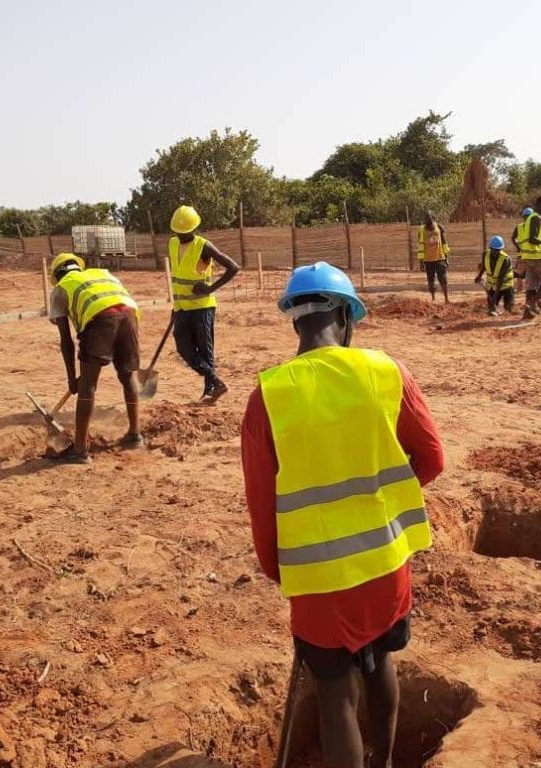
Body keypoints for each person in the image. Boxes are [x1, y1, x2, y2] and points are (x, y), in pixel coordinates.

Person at [240, 262, 444, 768]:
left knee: (335, 696)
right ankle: (386, 762)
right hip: (385, 562)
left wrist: (277, 567)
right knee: (382, 666)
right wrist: (381, 499)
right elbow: (432, 457)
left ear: (295, 322)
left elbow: (262, 503)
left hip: (317, 579)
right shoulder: (385, 372)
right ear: (348, 318)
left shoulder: (269, 395)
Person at [47, 252, 142, 464]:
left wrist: (73, 379)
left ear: (57, 274)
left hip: (101, 321)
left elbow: (66, 340)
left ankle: (79, 450)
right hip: (130, 317)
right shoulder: (101, 274)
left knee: (88, 384)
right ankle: (135, 435)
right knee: (128, 377)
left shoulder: (61, 288)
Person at [167, 205, 239, 403]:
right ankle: (216, 381)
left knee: (205, 350)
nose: (182, 236)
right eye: (179, 232)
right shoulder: (172, 244)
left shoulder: (204, 246)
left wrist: (209, 288)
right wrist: (176, 306)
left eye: (185, 232)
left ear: (194, 229)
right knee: (183, 346)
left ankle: (210, 390)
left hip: (202, 307)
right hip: (182, 308)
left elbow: (233, 267)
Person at [511, 196, 541, 319]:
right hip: (535, 257)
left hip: (528, 257)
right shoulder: (535, 218)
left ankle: (528, 314)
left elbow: (530, 237)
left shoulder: (529, 219)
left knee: (532, 286)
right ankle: (534, 303)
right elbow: (533, 239)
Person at [474, 235, 515, 316]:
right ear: (490, 248)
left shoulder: (506, 259)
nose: (496, 252)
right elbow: (484, 266)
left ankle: (507, 314)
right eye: (494, 250)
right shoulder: (485, 254)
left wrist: (495, 296)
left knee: (508, 307)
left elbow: (501, 278)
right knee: (491, 309)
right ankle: (493, 309)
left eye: (498, 250)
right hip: (493, 286)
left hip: (506, 286)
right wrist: (479, 276)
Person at [416, 210, 450, 303]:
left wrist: (446, 257)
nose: (427, 219)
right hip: (428, 260)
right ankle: (433, 299)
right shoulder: (421, 230)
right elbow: (420, 246)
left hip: (440, 257)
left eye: (429, 217)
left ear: (433, 218)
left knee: (443, 279)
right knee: (430, 280)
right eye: (426, 218)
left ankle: (446, 299)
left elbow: (444, 242)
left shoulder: (439, 227)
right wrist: (421, 262)